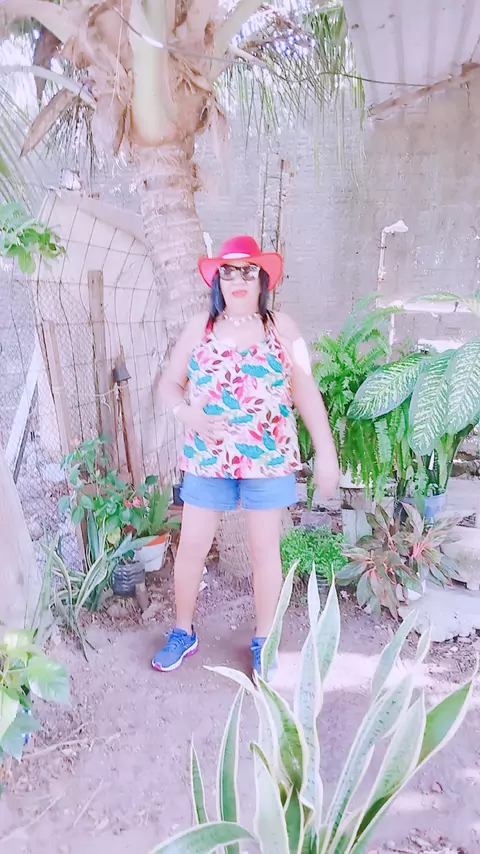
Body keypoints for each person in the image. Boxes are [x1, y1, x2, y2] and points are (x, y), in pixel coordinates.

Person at [152, 236, 339, 677]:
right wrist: (187, 414)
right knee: (192, 546)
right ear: (218, 280)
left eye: (248, 270)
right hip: (208, 458)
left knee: (264, 552)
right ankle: (183, 631)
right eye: (228, 271)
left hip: (268, 460)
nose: (237, 279)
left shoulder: (283, 328)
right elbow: (168, 386)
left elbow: (306, 392)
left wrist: (326, 452)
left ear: (262, 279)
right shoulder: (200, 327)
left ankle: (264, 640)